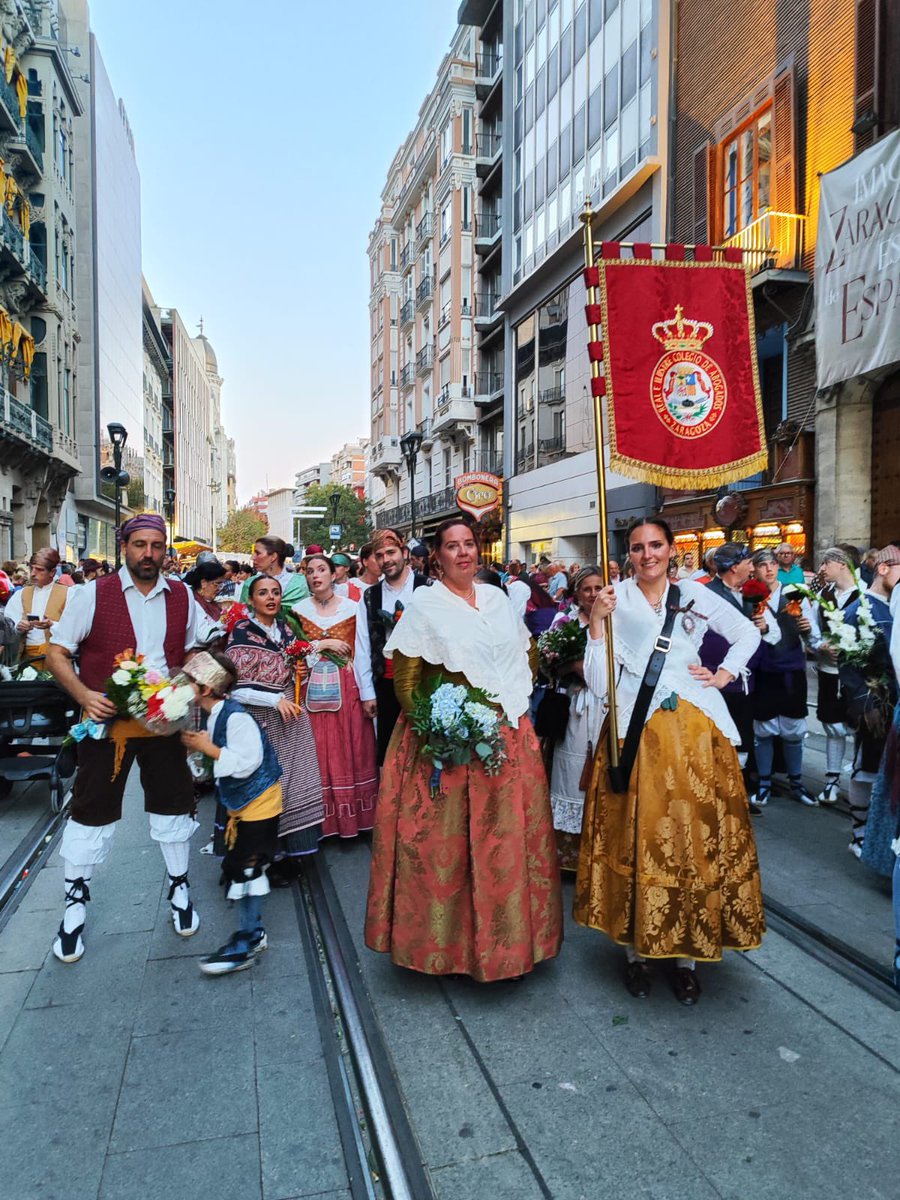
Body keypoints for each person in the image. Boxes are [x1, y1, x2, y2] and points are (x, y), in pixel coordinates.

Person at [574, 517, 764, 1005]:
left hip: (696, 732)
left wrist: (722, 675)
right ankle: (636, 954)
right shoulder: (614, 598)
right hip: (633, 734)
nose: (647, 555)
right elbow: (598, 683)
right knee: (635, 836)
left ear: (671, 549)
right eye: (637, 548)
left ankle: (687, 956)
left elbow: (747, 634)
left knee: (692, 839)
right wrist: (596, 621)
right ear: (628, 555)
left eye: (655, 545)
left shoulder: (696, 596)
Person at [365, 518, 563, 981]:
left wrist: (507, 704)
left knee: (506, 843)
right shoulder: (424, 605)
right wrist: (443, 727)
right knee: (448, 848)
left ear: (480, 549)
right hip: (447, 743)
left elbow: (525, 656)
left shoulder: (497, 599)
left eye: (469, 544)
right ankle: (446, 950)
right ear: (437, 556)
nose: (463, 553)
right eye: (452, 547)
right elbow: (407, 683)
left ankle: (509, 946)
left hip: (507, 735)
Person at [45, 513, 221, 964]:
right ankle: (74, 907)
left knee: (174, 803)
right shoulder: (92, 594)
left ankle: (180, 890)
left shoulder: (181, 594)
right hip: (109, 725)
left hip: (164, 724)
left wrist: (188, 685)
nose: (148, 553)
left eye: (156, 546)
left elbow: (199, 647)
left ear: (166, 551)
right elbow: (57, 651)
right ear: (124, 547)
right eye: (140, 544)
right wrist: (85, 693)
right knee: (91, 810)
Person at [181, 652, 283, 975]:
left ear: (206, 690)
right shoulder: (215, 715)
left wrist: (209, 749)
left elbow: (248, 761)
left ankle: (249, 939)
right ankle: (254, 933)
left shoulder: (237, 718)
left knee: (248, 870)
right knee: (242, 867)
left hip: (260, 803)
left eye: (189, 682)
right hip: (244, 804)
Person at [225, 574, 324, 869]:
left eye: (276, 592)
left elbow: (301, 662)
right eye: (263, 593)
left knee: (295, 783)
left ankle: (292, 853)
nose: (271, 598)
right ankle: (264, 855)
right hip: (259, 718)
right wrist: (274, 700)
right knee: (266, 787)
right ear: (251, 599)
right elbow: (235, 688)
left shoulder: (286, 628)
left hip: (291, 717)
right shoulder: (241, 632)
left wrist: (302, 671)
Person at [293, 554, 378, 838]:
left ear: (334, 574)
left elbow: (363, 650)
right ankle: (319, 820)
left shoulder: (354, 608)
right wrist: (321, 643)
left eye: (321, 570)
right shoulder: (298, 610)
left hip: (347, 687)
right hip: (311, 689)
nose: (315, 575)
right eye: (309, 571)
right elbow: (292, 651)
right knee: (316, 748)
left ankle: (353, 818)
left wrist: (368, 694)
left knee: (350, 744)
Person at [839, 547, 899, 858]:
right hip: (875, 704)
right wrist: (865, 704)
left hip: (896, 703)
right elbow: (848, 665)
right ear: (884, 569)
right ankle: (859, 834)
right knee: (867, 770)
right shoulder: (859, 610)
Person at [355, 528, 431, 764]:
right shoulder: (370, 596)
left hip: (425, 681)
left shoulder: (428, 588)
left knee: (425, 749)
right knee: (389, 753)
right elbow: (362, 646)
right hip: (385, 683)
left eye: (391, 552)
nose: (386, 560)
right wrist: (367, 693)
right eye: (380, 555)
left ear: (404, 552)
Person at [749, 549, 818, 808]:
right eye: (763, 565)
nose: (769, 569)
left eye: (773, 564)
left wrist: (809, 631)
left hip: (790, 668)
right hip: (764, 670)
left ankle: (797, 782)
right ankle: (765, 782)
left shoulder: (794, 592)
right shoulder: (751, 596)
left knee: (793, 730)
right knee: (764, 729)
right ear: (754, 570)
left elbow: (811, 634)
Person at [547, 566, 605, 871]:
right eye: (587, 589)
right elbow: (549, 665)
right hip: (576, 706)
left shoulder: (614, 621)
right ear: (576, 593)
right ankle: (569, 854)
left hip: (607, 704)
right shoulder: (565, 621)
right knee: (572, 772)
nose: (593, 594)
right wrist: (571, 665)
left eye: (599, 588)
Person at [700, 542, 763, 811]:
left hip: (745, 679)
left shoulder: (752, 593)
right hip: (716, 679)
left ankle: (742, 790)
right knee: (719, 737)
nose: (753, 567)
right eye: (749, 561)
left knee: (744, 736)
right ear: (735, 566)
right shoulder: (707, 594)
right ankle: (718, 790)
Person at [811, 548, 862, 805]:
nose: (821, 568)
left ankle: (860, 781)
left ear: (842, 564)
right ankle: (831, 780)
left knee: (858, 726)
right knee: (832, 726)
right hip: (829, 671)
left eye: (826, 563)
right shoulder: (822, 594)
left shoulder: (863, 593)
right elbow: (812, 630)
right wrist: (820, 644)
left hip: (858, 675)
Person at [5, 548, 71, 665]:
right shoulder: (21, 594)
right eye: (32, 568)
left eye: (39, 569)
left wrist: (52, 625)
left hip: (58, 659)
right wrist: (19, 627)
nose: (33, 573)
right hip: (27, 659)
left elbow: (76, 628)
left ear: (52, 572)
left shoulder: (69, 594)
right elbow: (9, 624)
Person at [241, 536, 309, 621]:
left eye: (257, 553)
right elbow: (242, 614)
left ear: (273, 557)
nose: (252, 557)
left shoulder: (298, 584)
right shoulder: (249, 583)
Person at [184, 559, 227, 623]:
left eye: (221, 585)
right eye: (217, 584)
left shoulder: (211, 602)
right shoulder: (195, 605)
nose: (220, 588)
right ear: (203, 583)